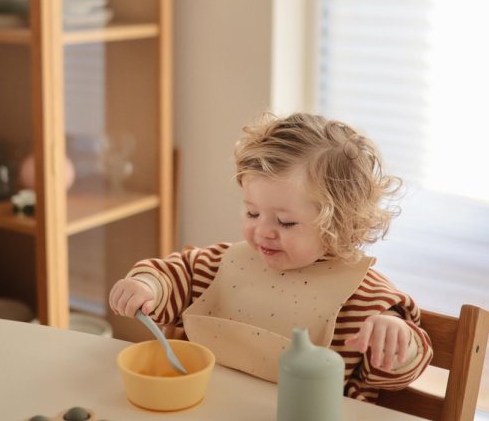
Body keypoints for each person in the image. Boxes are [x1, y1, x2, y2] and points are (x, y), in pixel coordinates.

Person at [109, 112, 433, 401]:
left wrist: (396, 340)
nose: (262, 231)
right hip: (206, 420)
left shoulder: (365, 300)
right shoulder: (219, 266)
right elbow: (175, 275)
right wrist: (148, 285)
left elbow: (397, 377)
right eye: (252, 213)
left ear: (341, 224)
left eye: (285, 222)